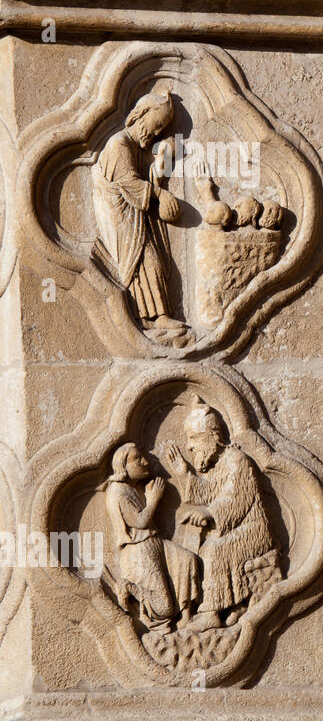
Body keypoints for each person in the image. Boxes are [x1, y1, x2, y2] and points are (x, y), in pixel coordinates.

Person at [164, 397, 278, 632]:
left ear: (213, 436)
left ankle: (212, 613)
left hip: (253, 531)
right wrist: (184, 473)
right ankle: (232, 603)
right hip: (234, 529)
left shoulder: (238, 460)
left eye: (194, 438)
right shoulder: (218, 467)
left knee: (215, 549)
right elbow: (207, 492)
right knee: (201, 546)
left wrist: (210, 513)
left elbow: (236, 499)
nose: (189, 446)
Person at [92, 91, 188, 342]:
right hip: (122, 223)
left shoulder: (133, 148)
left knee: (151, 262)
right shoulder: (119, 144)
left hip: (134, 219)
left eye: (160, 130)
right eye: (154, 126)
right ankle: (155, 317)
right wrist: (159, 194)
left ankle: (151, 318)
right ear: (139, 115)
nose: (155, 133)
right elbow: (129, 183)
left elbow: (141, 181)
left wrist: (160, 167)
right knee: (147, 261)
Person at [104, 442, 200, 631]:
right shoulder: (118, 492)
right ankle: (128, 588)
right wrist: (154, 498)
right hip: (139, 550)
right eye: (137, 459)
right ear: (123, 466)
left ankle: (187, 615)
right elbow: (140, 522)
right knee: (164, 608)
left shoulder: (132, 487)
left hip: (155, 542)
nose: (146, 462)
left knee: (188, 560)